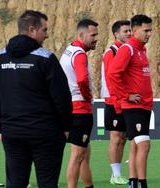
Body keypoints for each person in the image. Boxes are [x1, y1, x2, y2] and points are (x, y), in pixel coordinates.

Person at [0, 10, 72, 188]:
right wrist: (65, 127)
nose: (47, 35)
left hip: (13, 133)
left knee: (16, 184)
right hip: (46, 133)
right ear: (32, 30)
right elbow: (62, 97)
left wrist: (0, 127)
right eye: (45, 30)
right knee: (48, 184)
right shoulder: (46, 58)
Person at [108, 14, 153, 188]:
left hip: (144, 105)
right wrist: (126, 96)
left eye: (150, 30)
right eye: (146, 30)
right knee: (144, 145)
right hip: (134, 106)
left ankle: (133, 183)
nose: (149, 34)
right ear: (135, 31)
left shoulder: (141, 49)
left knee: (136, 145)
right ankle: (142, 184)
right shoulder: (128, 49)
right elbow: (112, 74)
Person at [60, 19, 98, 188]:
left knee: (84, 152)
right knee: (77, 155)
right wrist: (88, 96)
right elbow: (82, 79)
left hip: (69, 107)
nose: (96, 38)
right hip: (80, 109)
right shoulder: (80, 54)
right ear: (81, 35)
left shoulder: (69, 50)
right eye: (93, 35)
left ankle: (89, 185)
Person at [101, 20, 131, 185]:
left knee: (123, 137)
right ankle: (115, 174)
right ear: (116, 34)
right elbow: (111, 79)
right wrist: (118, 100)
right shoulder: (111, 52)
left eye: (130, 31)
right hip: (113, 100)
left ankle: (117, 174)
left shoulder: (126, 50)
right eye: (125, 31)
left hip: (124, 99)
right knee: (115, 137)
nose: (129, 34)